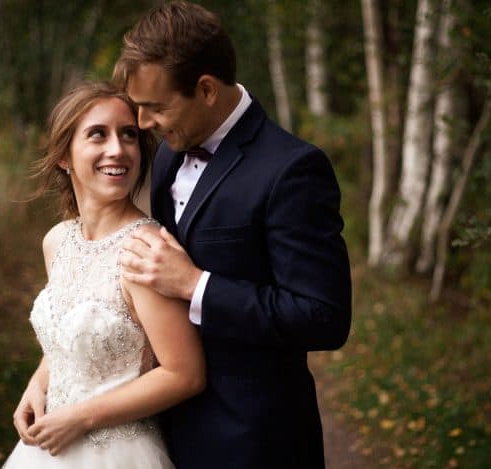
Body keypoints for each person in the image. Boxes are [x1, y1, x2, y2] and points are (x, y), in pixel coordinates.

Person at [113, 2, 352, 468]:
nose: (143, 124)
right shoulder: (166, 155)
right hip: (161, 433)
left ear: (205, 89)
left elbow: (324, 317)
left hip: (254, 442)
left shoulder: (292, 169)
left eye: (155, 108)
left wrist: (194, 285)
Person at [4, 81, 205, 468]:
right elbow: (69, 333)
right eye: (98, 134)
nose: (118, 149)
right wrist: (39, 382)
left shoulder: (145, 250)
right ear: (64, 155)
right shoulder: (57, 241)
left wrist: (81, 417)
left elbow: (185, 374)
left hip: (118, 453)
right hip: (46, 448)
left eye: (129, 135)